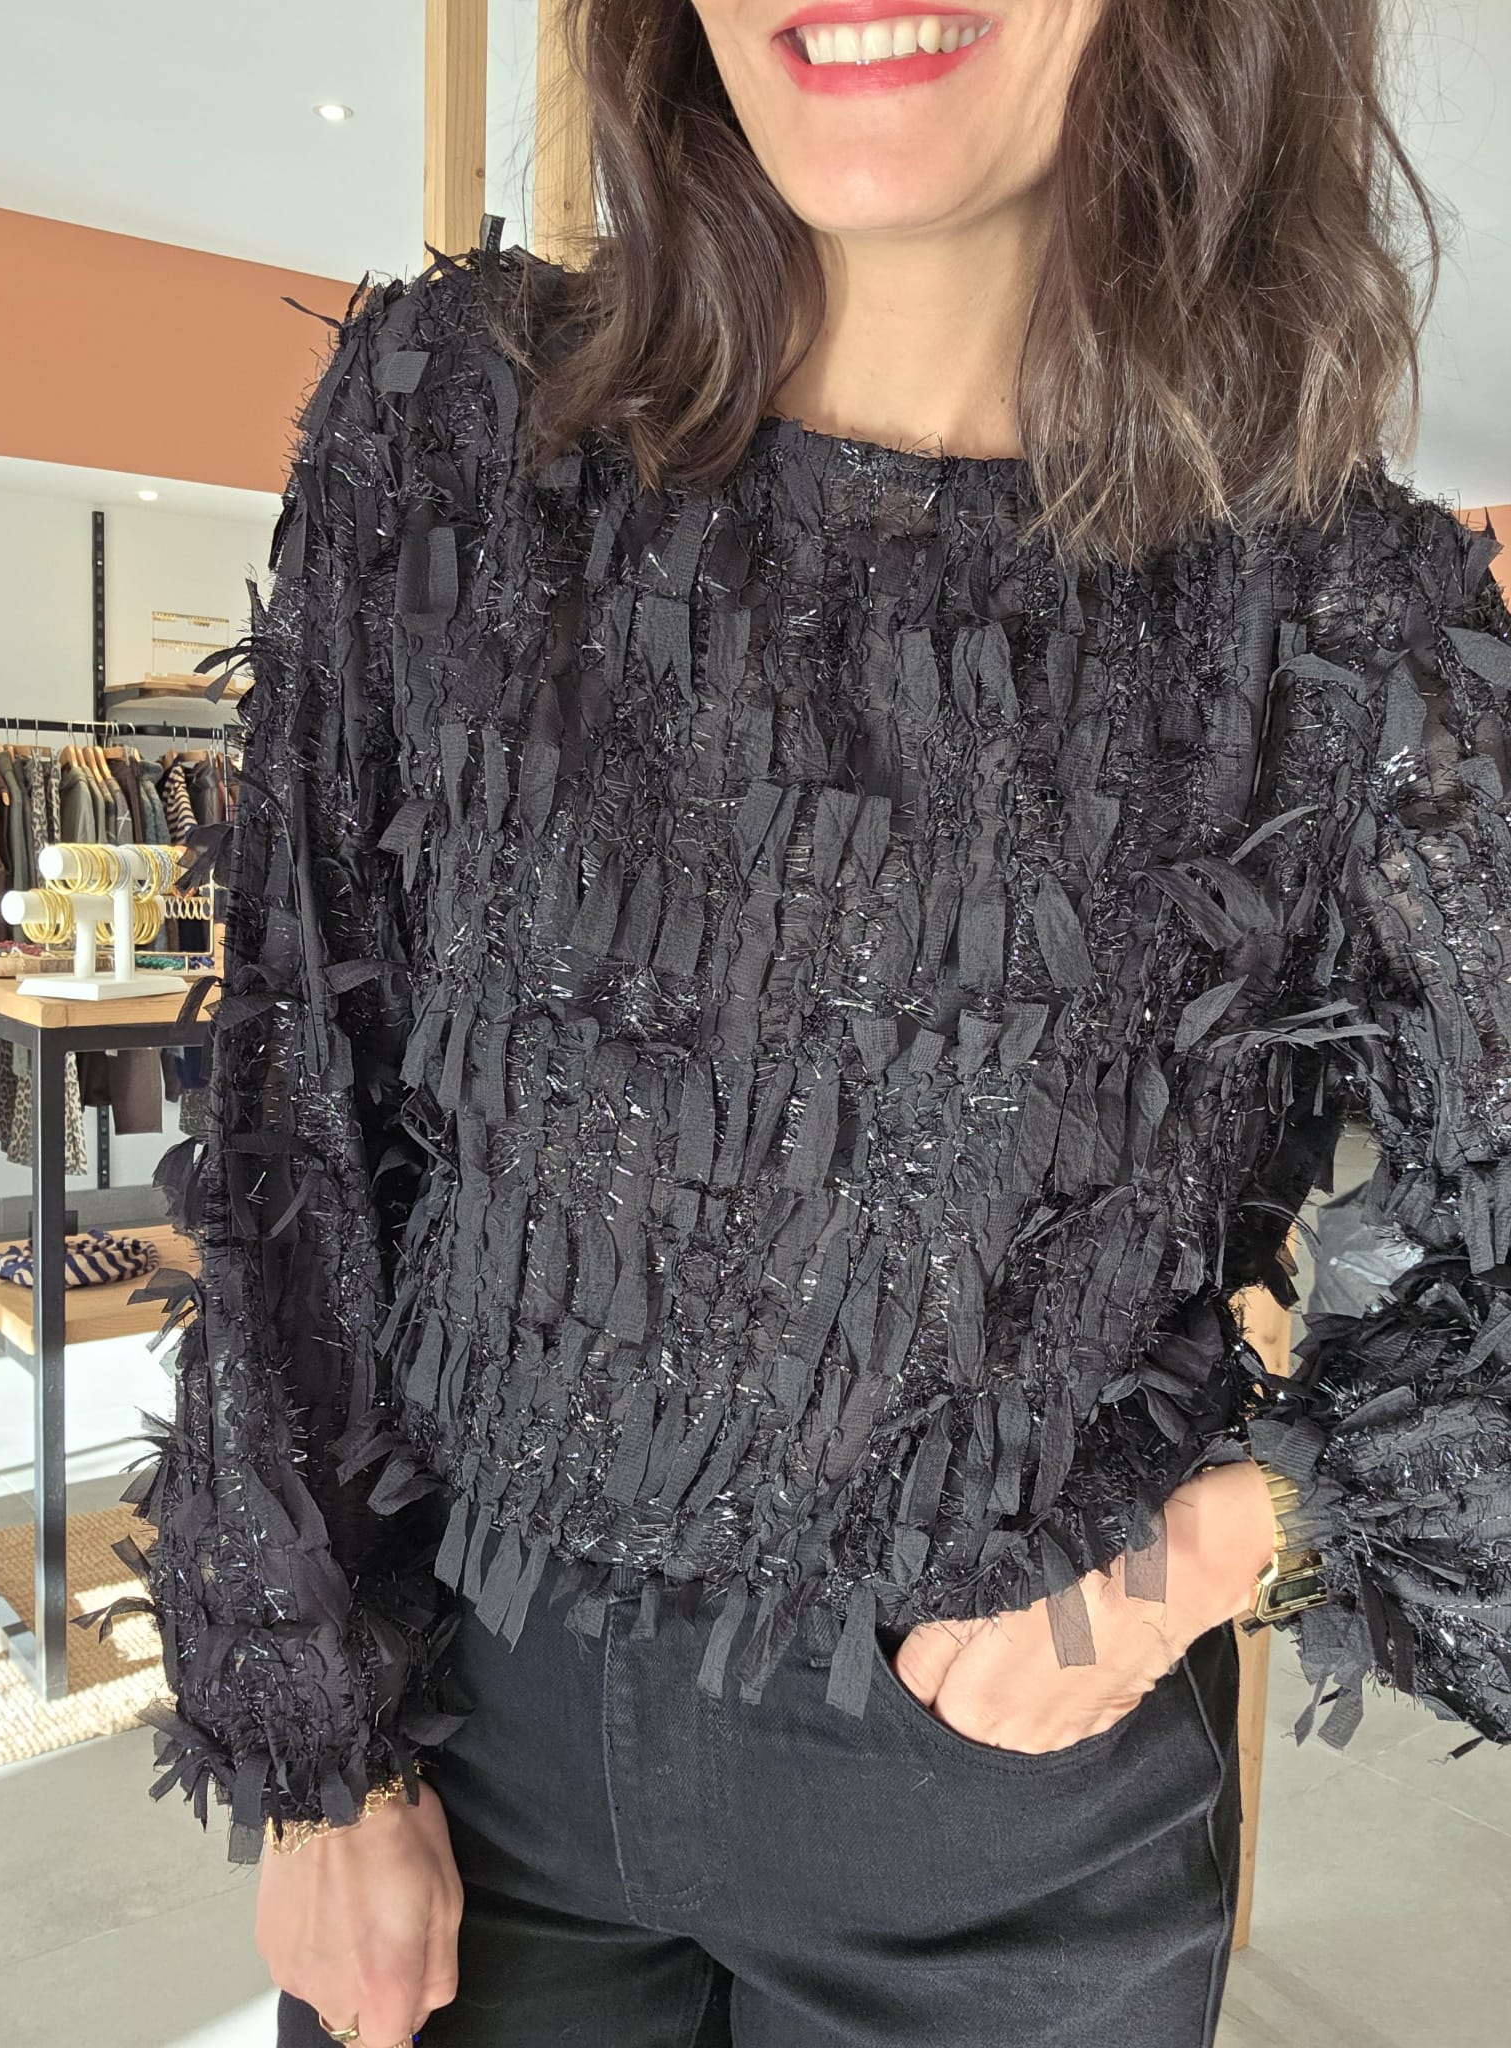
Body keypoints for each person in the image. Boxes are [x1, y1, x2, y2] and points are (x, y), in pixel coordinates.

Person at [80, 1, 1511, 2044]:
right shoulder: (451, 435)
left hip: (999, 1829)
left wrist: (1229, 1542)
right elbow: (296, 1107)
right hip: (477, 1757)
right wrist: (324, 1760)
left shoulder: (1339, 619)